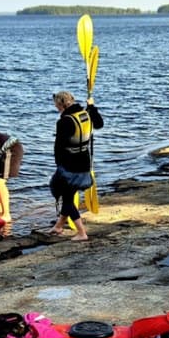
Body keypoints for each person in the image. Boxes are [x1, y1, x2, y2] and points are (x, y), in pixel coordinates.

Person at [49, 91, 103, 241]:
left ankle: (81, 233)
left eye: (56, 105)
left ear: (61, 104)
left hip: (69, 165)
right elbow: (99, 124)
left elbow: (59, 146)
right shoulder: (86, 113)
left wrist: (59, 166)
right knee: (69, 194)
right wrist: (92, 107)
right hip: (85, 162)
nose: (56, 107)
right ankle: (59, 226)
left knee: (61, 193)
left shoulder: (64, 121)